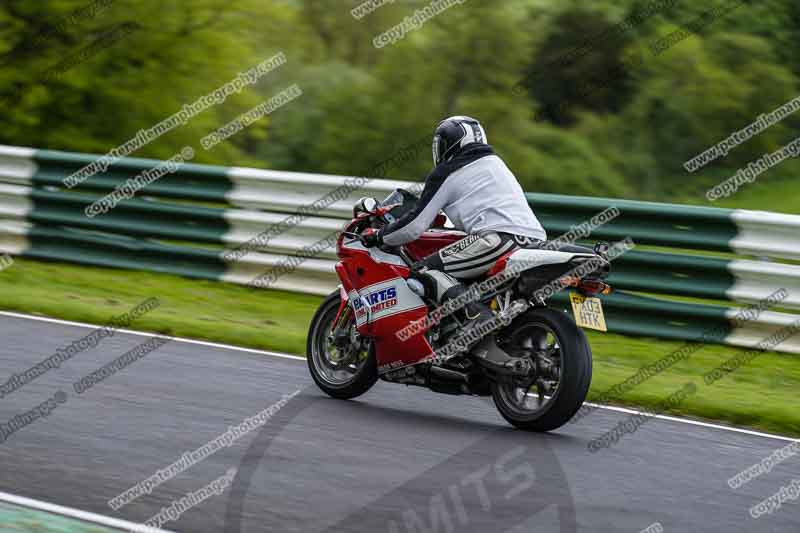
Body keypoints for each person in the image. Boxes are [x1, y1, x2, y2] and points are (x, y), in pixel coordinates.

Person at [361, 115, 547, 370]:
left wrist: (380, 235)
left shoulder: (449, 170)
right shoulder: (495, 164)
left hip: (498, 239)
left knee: (425, 270)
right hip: (535, 240)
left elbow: (414, 225)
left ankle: (475, 316)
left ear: (449, 143)